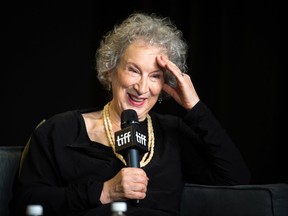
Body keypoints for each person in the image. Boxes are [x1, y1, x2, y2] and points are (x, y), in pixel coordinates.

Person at [10, 12, 250, 216]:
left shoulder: (173, 133)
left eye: (155, 76)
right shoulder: (60, 130)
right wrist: (104, 191)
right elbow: (26, 203)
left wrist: (195, 106)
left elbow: (236, 179)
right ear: (111, 69)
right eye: (134, 70)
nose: (142, 88)